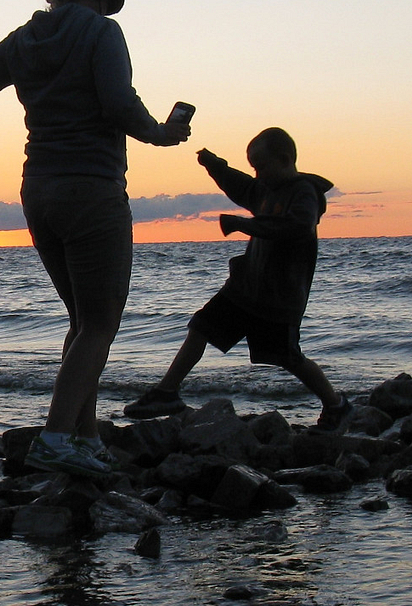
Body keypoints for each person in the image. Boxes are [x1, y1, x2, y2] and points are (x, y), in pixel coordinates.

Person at [0, 0, 190, 478]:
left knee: (81, 321)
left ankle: (86, 434)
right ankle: (56, 438)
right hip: (92, 189)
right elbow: (119, 103)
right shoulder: (102, 33)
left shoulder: (25, 38)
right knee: (100, 322)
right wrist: (163, 133)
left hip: (39, 192)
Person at [124, 128, 351, 429]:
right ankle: (167, 391)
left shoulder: (303, 192)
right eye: (254, 168)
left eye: (261, 167)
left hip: (278, 298)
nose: (257, 175)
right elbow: (241, 187)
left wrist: (248, 225)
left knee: (288, 357)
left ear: (285, 160)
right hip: (245, 288)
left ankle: (335, 404)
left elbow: (297, 226)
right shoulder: (266, 191)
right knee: (201, 326)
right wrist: (216, 167)